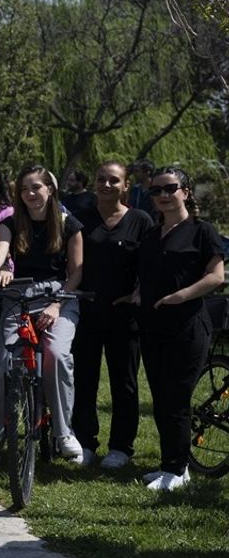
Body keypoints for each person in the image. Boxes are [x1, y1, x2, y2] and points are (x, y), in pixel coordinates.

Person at [0, 165, 86, 474]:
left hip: (59, 297)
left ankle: (64, 433)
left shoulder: (70, 224)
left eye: (36, 187)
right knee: (3, 368)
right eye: (24, 189)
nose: (30, 194)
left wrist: (57, 304)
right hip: (19, 296)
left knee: (56, 354)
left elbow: (76, 272)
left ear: (50, 189)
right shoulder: (11, 223)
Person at [133, 167, 224, 491]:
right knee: (160, 398)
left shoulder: (202, 231)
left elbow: (216, 276)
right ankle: (169, 464)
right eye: (156, 190)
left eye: (170, 188)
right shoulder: (150, 234)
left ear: (185, 191)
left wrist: (178, 296)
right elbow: (147, 275)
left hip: (188, 326)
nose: (162, 195)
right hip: (152, 326)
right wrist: (137, 294)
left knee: (177, 397)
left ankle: (178, 468)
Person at [70, 161, 153, 469]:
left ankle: (121, 447)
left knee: (125, 383)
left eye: (114, 180)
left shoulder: (140, 220)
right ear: (94, 183)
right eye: (101, 179)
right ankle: (85, 442)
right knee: (84, 379)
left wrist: (139, 292)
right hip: (87, 312)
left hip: (125, 315)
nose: (106, 185)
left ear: (125, 186)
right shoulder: (81, 220)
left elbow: (152, 261)